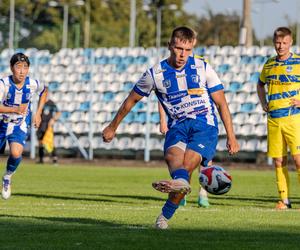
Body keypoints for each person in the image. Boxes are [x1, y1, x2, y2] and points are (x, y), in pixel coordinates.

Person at [102, 26, 239, 229]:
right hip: (177, 126)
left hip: (204, 124)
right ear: (169, 46)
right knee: (173, 160)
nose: (182, 54)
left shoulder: (203, 68)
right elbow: (130, 100)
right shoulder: (155, 74)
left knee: (188, 164)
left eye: (187, 50)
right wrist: (113, 126)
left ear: (192, 48)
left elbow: (221, 103)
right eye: (178, 48)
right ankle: (179, 187)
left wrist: (231, 135)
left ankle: (164, 216)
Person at [257, 27, 300, 210]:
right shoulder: (269, 64)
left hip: (293, 118)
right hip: (274, 119)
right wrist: (263, 102)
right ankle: (284, 200)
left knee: (298, 160)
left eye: (284, 43)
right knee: (279, 161)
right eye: (278, 42)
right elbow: (260, 84)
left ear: (291, 42)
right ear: (274, 42)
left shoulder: (298, 62)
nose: (280, 46)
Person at [0, 53, 48, 200]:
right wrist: (14, 109)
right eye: (18, 67)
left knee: (15, 153)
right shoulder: (3, 84)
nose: (22, 71)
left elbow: (44, 90)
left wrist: (38, 113)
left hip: (18, 125)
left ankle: (7, 177)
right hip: (1, 124)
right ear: (11, 68)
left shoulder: (32, 83)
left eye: (25, 67)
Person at [158, 102, 210, 208]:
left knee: (205, 157)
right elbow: (161, 96)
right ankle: (182, 192)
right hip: (180, 123)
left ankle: (203, 193)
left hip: (204, 121)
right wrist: (162, 120)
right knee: (186, 158)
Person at [36, 95, 61, 164]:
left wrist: (53, 119)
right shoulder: (40, 102)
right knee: (40, 142)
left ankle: (54, 158)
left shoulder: (51, 103)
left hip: (48, 125)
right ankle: (41, 159)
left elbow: (58, 113)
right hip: (41, 125)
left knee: (50, 141)